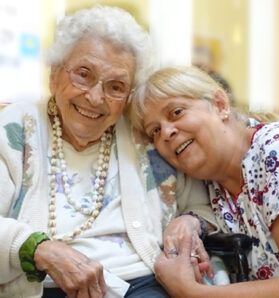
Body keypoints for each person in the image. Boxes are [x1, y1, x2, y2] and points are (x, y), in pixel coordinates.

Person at [0, 7, 217, 298]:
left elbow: (205, 207)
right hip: (44, 287)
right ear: (54, 74)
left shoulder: (147, 133)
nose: (95, 97)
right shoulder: (14, 128)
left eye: (116, 86)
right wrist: (39, 248)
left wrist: (189, 221)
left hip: (143, 284)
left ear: (128, 97)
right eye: (83, 75)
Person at [128, 65, 279, 297]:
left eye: (176, 112)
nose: (166, 132)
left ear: (220, 105)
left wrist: (191, 292)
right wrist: (189, 220)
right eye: (155, 131)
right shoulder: (214, 184)